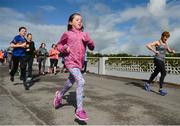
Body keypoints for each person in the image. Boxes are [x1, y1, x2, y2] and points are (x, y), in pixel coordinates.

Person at [53, 13, 95, 121]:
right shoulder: (67, 34)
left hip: (79, 63)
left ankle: (59, 95)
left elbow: (92, 47)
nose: (80, 21)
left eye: (81, 20)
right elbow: (58, 45)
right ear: (71, 22)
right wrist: (64, 48)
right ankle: (79, 110)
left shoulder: (84, 34)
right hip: (70, 61)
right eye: (77, 20)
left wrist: (89, 40)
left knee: (70, 82)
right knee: (81, 81)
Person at [145, 31, 175, 96]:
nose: (166, 38)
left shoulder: (166, 44)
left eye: (167, 37)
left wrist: (172, 51)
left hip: (162, 60)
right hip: (157, 59)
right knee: (164, 72)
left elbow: (169, 51)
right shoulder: (157, 42)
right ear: (162, 36)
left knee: (155, 72)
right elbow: (147, 45)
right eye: (165, 37)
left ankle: (147, 84)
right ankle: (160, 89)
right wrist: (154, 51)